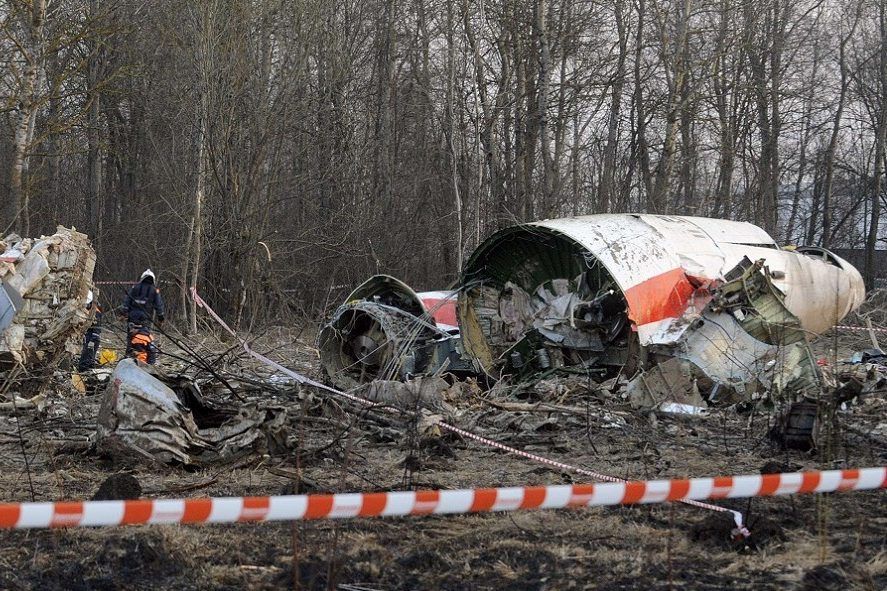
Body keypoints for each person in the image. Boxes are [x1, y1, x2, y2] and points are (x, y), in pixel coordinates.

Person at [122, 269, 165, 364]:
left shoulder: (135, 287)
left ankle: (129, 356)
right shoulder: (154, 291)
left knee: (131, 337)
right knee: (144, 336)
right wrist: (161, 317)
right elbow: (159, 305)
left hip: (132, 317)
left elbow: (127, 300)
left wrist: (124, 312)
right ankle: (147, 359)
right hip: (145, 318)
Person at [77, 290, 103, 371]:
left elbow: (96, 328)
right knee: (87, 356)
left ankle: (85, 371)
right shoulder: (90, 310)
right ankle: (86, 370)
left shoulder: (95, 312)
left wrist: (92, 340)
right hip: (89, 335)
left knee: (87, 358)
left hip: (92, 337)